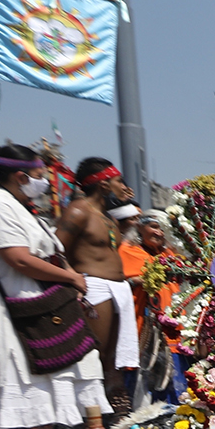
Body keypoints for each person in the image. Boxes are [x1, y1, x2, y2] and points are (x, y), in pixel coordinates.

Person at [0, 144, 108, 429]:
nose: (44, 182)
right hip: (17, 305)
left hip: (46, 300)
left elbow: (50, 250)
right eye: (41, 175)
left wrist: (69, 275)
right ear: (20, 175)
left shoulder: (18, 203)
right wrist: (70, 278)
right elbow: (19, 259)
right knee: (31, 377)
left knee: (64, 372)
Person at [58, 157, 140, 406]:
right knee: (96, 353)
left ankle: (113, 411)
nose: (125, 187)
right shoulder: (78, 210)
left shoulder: (109, 217)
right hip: (93, 287)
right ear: (104, 185)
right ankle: (87, 413)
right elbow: (56, 250)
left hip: (118, 290)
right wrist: (73, 280)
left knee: (114, 357)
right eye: (119, 181)